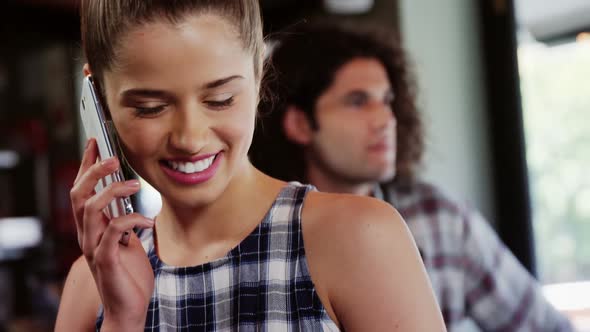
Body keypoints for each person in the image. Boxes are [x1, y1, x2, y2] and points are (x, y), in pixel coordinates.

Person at [54, 1, 446, 331]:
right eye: (150, 108)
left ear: (260, 73)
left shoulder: (355, 238)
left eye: (221, 99)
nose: (190, 138)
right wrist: (123, 321)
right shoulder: (91, 288)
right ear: (99, 100)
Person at [250, 21, 574, 331]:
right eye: (358, 101)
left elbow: (543, 325)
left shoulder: (438, 218)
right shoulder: (263, 231)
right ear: (300, 124)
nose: (384, 119)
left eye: (387, 101)